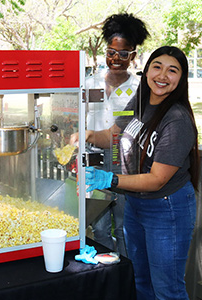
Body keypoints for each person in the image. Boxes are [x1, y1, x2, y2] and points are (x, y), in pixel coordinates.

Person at [77, 46, 199, 300]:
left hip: (167, 209)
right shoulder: (138, 102)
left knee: (167, 289)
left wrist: (110, 179)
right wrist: (87, 134)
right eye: (157, 66)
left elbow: (157, 179)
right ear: (146, 71)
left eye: (172, 70)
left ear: (181, 78)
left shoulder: (177, 120)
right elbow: (113, 134)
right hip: (136, 204)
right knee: (140, 280)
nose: (163, 75)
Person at [86, 13, 149, 257]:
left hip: (125, 162)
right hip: (95, 161)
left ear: (133, 55)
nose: (116, 59)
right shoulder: (89, 83)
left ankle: (127, 275)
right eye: (112, 52)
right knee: (98, 226)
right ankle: (106, 274)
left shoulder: (140, 90)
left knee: (124, 226)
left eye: (123, 54)